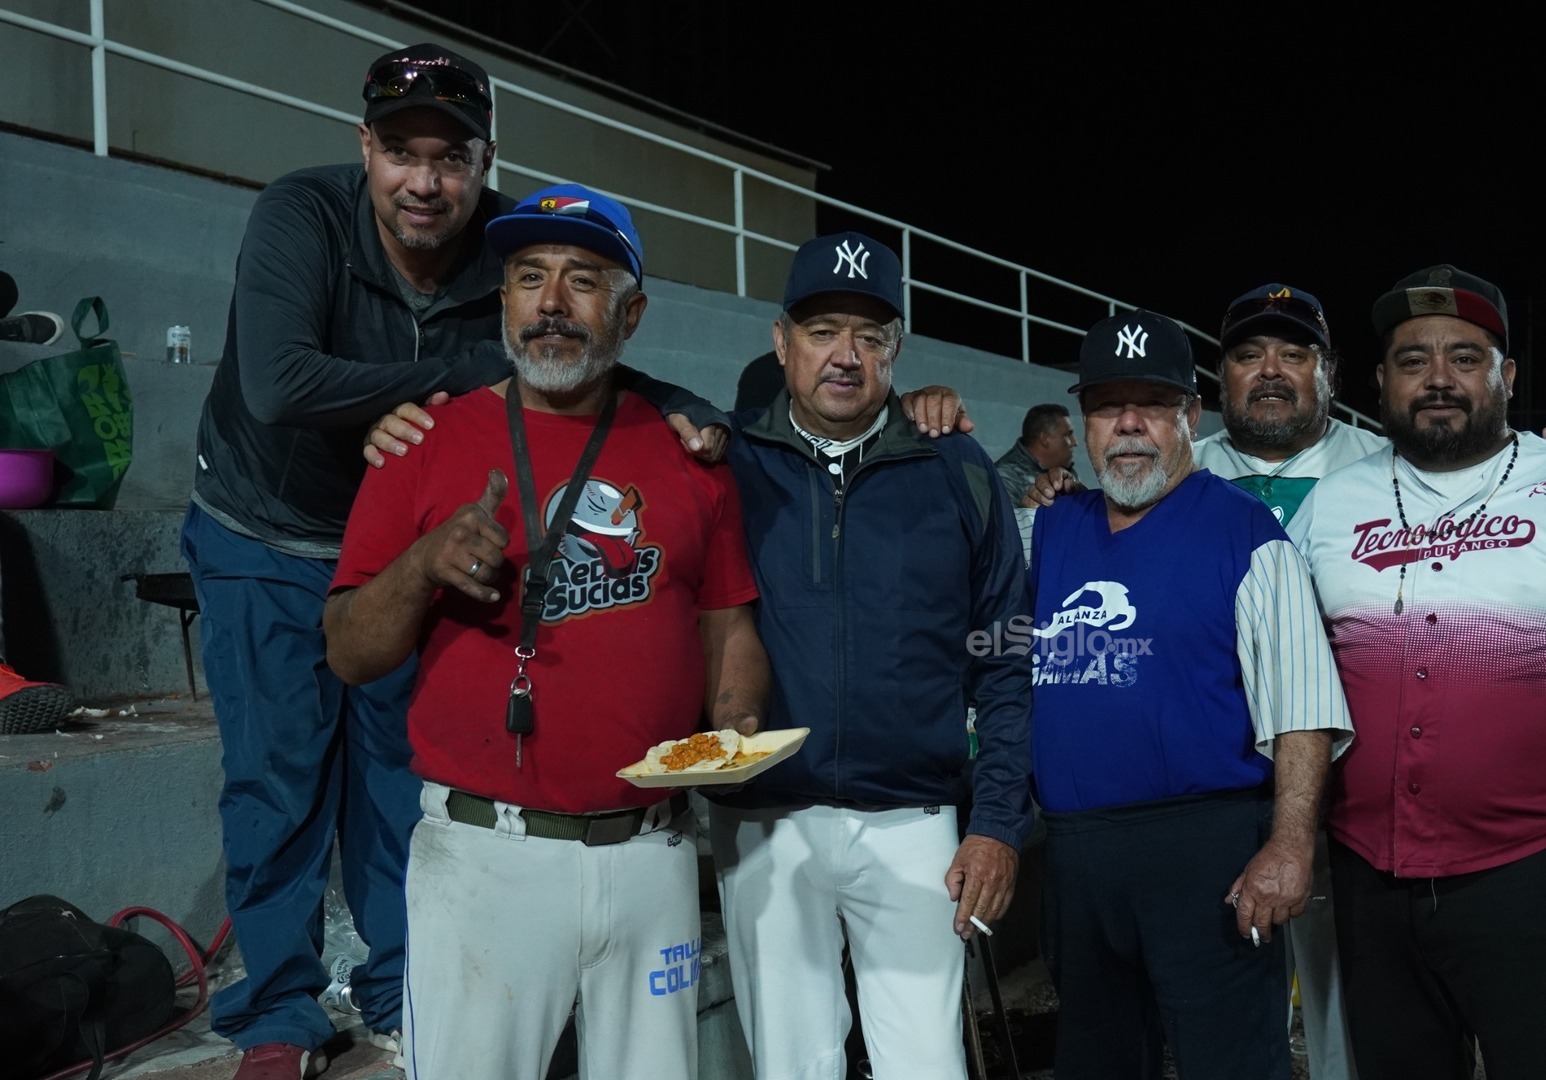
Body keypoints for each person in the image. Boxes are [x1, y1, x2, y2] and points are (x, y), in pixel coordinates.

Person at [181, 44, 723, 1079]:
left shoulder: (513, 242)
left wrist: (682, 406)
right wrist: (451, 381)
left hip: (409, 533)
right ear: (364, 149)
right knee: (278, 776)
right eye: (401, 152)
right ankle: (281, 1011)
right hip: (269, 528)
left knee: (402, 771)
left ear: (484, 162)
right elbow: (279, 382)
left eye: (451, 158)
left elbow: (579, 343)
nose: (424, 181)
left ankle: (400, 984)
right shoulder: (301, 213)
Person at [322, 183, 765, 1080]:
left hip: (653, 851)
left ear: (630, 314)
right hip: (486, 858)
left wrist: (735, 726)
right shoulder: (423, 442)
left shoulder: (690, 452)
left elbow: (728, 628)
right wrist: (423, 564)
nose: (552, 303)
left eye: (583, 281)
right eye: (530, 277)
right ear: (504, 300)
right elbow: (350, 652)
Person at [1288, 265, 1546, 1079]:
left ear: (1506, 376)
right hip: (1368, 876)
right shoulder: (1333, 504)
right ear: (1380, 380)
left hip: (1531, 873)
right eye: (1413, 360)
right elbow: (1286, 672)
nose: (1438, 378)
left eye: (1465, 357)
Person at [707, 232, 1032, 1080]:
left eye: (869, 336)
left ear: (897, 349)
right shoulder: (727, 465)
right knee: (792, 1067)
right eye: (822, 332)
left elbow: (1006, 656)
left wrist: (998, 822)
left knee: (928, 1065)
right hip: (767, 821)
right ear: (782, 341)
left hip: (915, 823)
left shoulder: (957, 466)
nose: (845, 355)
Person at [1026, 309, 1352, 1080]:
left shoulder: (1247, 533)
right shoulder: (1049, 528)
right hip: (1075, 856)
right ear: (1083, 425)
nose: (1128, 425)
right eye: (1108, 407)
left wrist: (1289, 846)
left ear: (1191, 418)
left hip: (1207, 852)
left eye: (1153, 405)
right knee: (1097, 1064)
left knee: (1231, 1062)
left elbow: (1303, 711)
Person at [994, 402, 1077, 499]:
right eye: (1067, 435)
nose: (1074, 442)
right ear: (1045, 439)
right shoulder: (1006, 476)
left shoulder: (1067, 473)